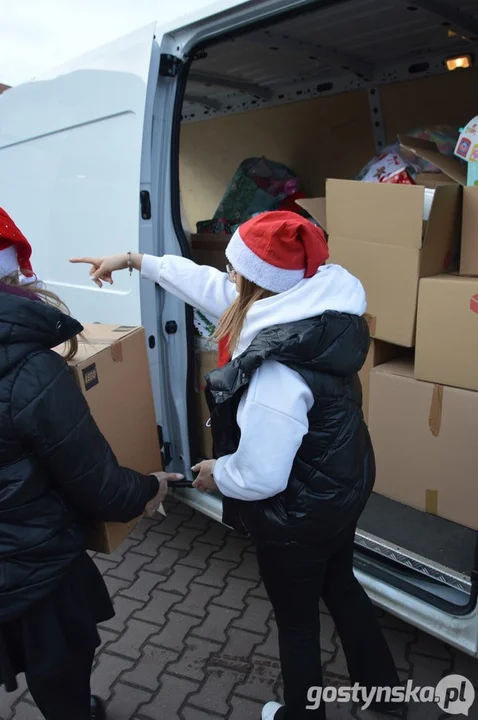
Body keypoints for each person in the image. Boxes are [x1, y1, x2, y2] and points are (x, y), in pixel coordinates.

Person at [71, 210, 402, 719]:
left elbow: (262, 474)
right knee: (341, 584)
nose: (226, 277)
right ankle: (385, 696)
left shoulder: (276, 371)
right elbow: (211, 287)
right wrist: (137, 260)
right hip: (341, 487)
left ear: (256, 281)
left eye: (235, 269)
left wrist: (216, 473)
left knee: (297, 625)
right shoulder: (312, 310)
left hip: (298, 513)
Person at [0, 207, 183, 720]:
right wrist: (147, 486)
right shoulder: (30, 369)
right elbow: (96, 483)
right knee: (58, 663)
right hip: (32, 561)